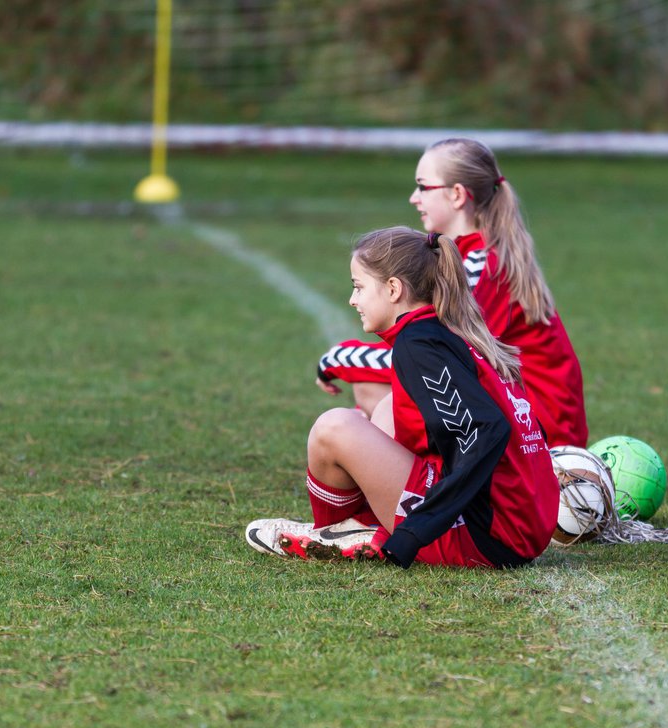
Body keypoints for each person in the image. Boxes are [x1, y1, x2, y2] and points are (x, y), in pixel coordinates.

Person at [246, 226, 560, 567]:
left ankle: (333, 532)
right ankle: (356, 527)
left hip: (481, 535)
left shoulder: (419, 343)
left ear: (393, 289)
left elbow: (486, 430)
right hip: (519, 529)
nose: (353, 300)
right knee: (388, 407)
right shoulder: (451, 329)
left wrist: (417, 530)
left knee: (333, 427)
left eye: (359, 287)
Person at [316, 138, 589, 448]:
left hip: (540, 437)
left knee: (371, 388)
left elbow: (431, 357)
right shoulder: (470, 255)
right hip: (529, 424)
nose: (413, 198)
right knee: (379, 399)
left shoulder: (481, 265)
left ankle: (414, 489)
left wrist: (338, 358)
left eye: (423, 187)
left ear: (457, 194)